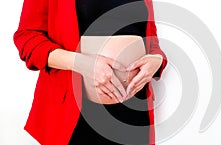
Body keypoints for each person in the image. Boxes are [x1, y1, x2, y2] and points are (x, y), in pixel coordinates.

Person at [13, 0, 167, 144]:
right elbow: (27, 39)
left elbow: (151, 41)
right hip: (75, 115)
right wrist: (81, 63)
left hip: (134, 114)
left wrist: (157, 61)